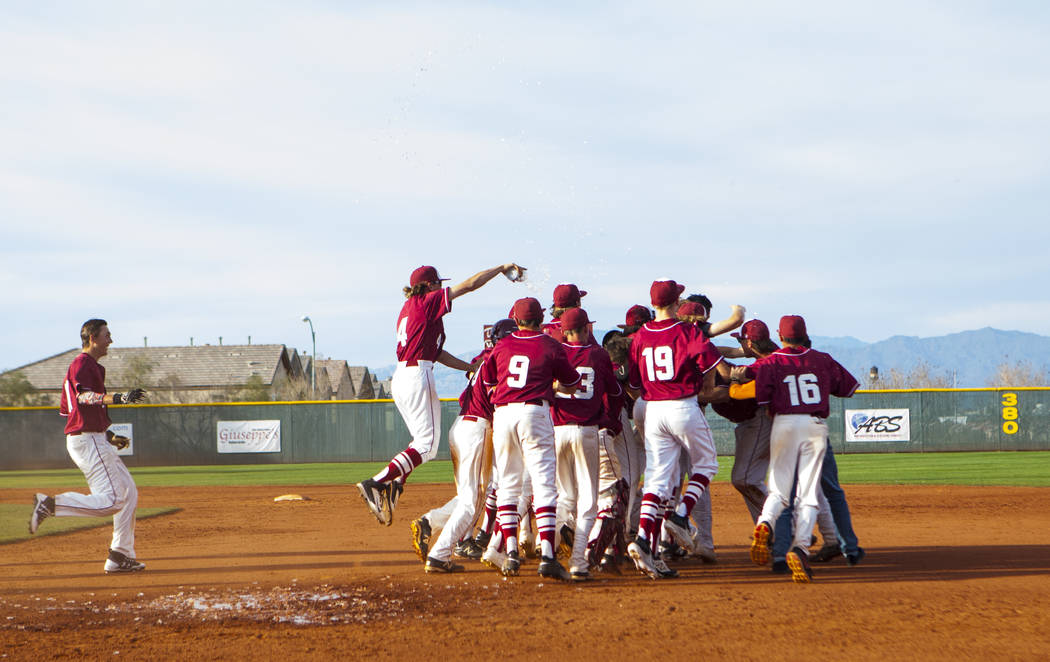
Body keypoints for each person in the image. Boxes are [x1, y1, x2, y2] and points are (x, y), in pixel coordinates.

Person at [357, 262, 525, 526]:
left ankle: (396, 486)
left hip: (405, 374)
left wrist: (468, 367)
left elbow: (437, 353)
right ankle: (376, 483)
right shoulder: (426, 302)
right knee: (427, 447)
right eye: (437, 283)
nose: (441, 287)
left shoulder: (410, 309)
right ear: (427, 286)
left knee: (419, 443)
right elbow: (469, 284)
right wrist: (499, 268)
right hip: (417, 374)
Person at [28, 319, 148, 574]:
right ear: (93, 337)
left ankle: (120, 555)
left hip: (93, 437)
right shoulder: (82, 363)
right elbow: (83, 397)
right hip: (87, 440)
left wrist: (109, 434)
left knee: (129, 493)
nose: (111, 340)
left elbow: (75, 411)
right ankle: (51, 505)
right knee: (113, 500)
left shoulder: (90, 366)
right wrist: (119, 397)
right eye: (107, 335)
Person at [746, 315, 859, 584]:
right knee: (808, 496)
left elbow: (762, 399)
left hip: (783, 424)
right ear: (805, 334)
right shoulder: (822, 359)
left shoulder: (771, 362)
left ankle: (764, 523)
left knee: (778, 491)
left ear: (780, 336)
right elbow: (849, 388)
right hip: (813, 424)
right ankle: (800, 549)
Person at [625, 279, 724, 579]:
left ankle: (644, 541)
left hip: (652, 409)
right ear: (675, 302)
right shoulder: (687, 330)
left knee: (657, 480)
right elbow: (714, 367)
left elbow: (632, 384)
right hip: (682, 405)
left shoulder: (641, 335)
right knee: (707, 464)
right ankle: (681, 517)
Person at [479, 297, 580, 579]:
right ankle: (548, 556)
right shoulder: (549, 344)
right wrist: (552, 385)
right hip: (534, 412)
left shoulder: (501, 346)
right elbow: (572, 384)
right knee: (544, 483)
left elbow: (488, 383)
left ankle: (511, 553)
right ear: (540, 318)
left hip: (503, 414)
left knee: (508, 485)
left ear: (517, 320)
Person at [417, 318, 517, 573]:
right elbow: (498, 399)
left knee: (468, 495)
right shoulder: (498, 361)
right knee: (472, 501)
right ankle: (440, 553)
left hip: (462, 426)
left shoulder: (488, 359)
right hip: (477, 429)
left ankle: (430, 522)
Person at [551, 308, 623, 580]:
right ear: (586, 329)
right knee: (589, 502)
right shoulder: (598, 355)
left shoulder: (556, 352)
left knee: (564, 497)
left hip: (558, 431)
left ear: (564, 331)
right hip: (587, 431)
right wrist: (612, 420)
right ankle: (579, 562)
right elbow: (614, 393)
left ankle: (548, 549)